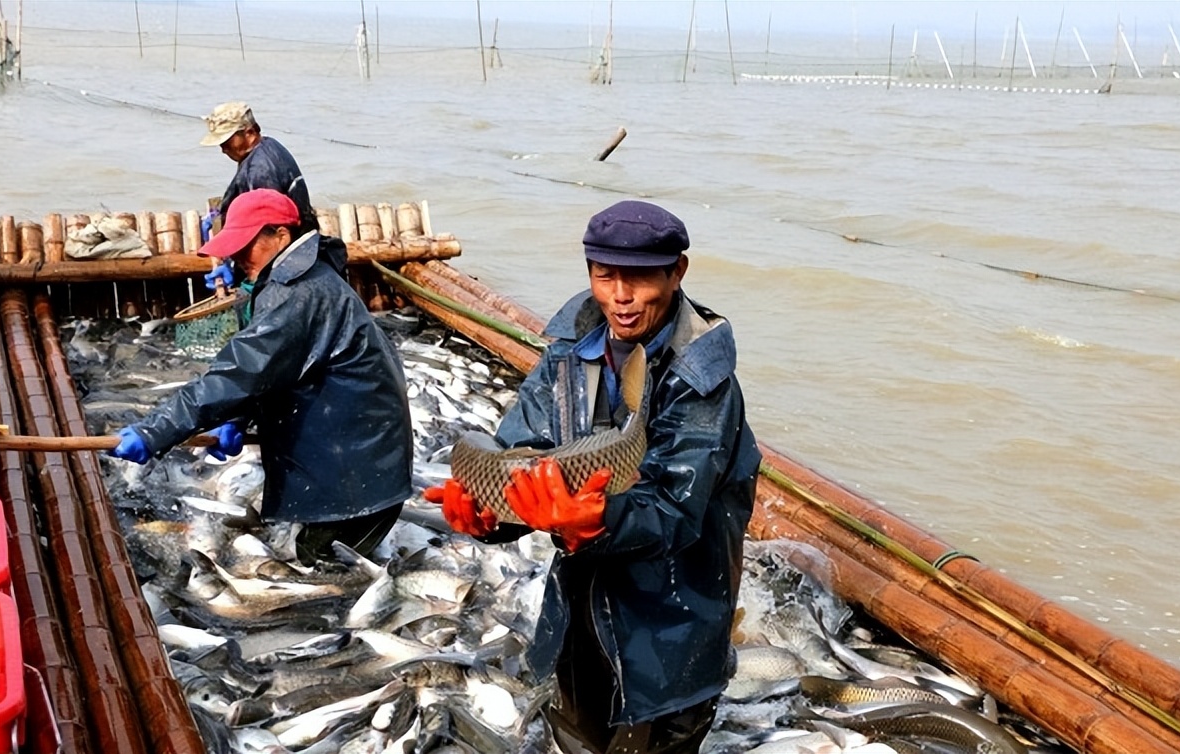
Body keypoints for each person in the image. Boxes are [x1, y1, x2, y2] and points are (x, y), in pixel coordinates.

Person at [425, 200, 762, 754]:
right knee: (577, 735)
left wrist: (597, 520)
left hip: (673, 617)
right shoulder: (570, 350)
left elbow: (675, 511)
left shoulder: (704, 381)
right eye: (605, 277)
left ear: (676, 273)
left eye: (638, 279)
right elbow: (519, 452)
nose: (619, 297)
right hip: (581, 600)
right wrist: (490, 516)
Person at [110, 188, 413, 563]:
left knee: (319, 569)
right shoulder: (303, 278)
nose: (236, 257)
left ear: (281, 235)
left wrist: (154, 431)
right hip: (360, 460)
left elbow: (237, 374)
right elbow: (276, 370)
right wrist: (237, 417)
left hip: (358, 480)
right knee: (313, 561)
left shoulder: (299, 293)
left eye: (245, 246)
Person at [200, 101, 318, 235]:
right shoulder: (267, 144)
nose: (224, 149)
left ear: (249, 133)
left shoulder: (261, 170)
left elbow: (268, 229)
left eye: (227, 142)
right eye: (221, 144)